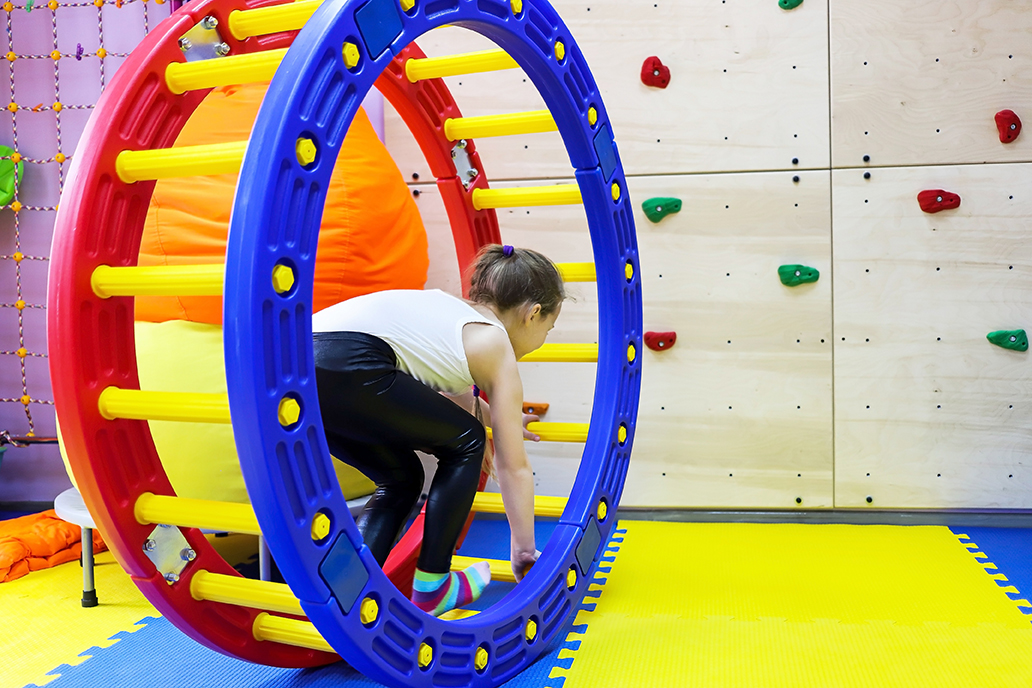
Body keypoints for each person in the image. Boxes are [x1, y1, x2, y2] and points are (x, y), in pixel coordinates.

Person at [311, 244, 565, 617]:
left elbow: (458, 398)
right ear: (533, 314)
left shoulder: (447, 314)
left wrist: (503, 418)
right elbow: (514, 467)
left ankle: (347, 590)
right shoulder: (494, 343)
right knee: (468, 442)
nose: (544, 339)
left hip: (302, 369)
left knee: (401, 478)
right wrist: (524, 549)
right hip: (354, 361)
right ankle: (433, 584)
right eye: (549, 328)